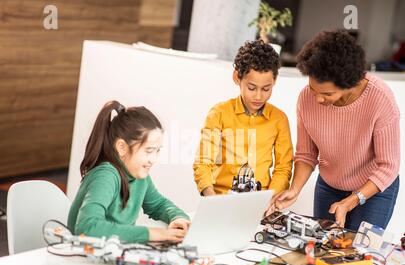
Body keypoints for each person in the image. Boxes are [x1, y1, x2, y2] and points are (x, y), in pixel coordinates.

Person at [269, 30, 400, 231]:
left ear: (351, 83)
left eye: (328, 93)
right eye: (314, 89)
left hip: (374, 188)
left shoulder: (380, 99)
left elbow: (388, 166)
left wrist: (352, 200)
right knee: (321, 249)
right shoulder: (306, 99)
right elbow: (306, 154)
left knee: (359, 252)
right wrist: (295, 189)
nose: (318, 99)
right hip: (330, 186)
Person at [67, 101, 190, 243]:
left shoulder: (139, 175)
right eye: (149, 151)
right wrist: (153, 234)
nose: (154, 159)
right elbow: (87, 228)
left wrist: (177, 217)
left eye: (157, 151)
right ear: (122, 147)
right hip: (80, 260)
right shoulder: (105, 176)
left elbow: (158, 205)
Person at [193, 40, 293, 197]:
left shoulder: (279, 119)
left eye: (266, 89)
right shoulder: (218, 113)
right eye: (251, 88)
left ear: (274, 81)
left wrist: (270, 199)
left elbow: (283, 168)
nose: (259, 96)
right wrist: (211, 198)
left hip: (261, 204)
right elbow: (203, 161)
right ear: (237, 78)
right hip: (221, 199)